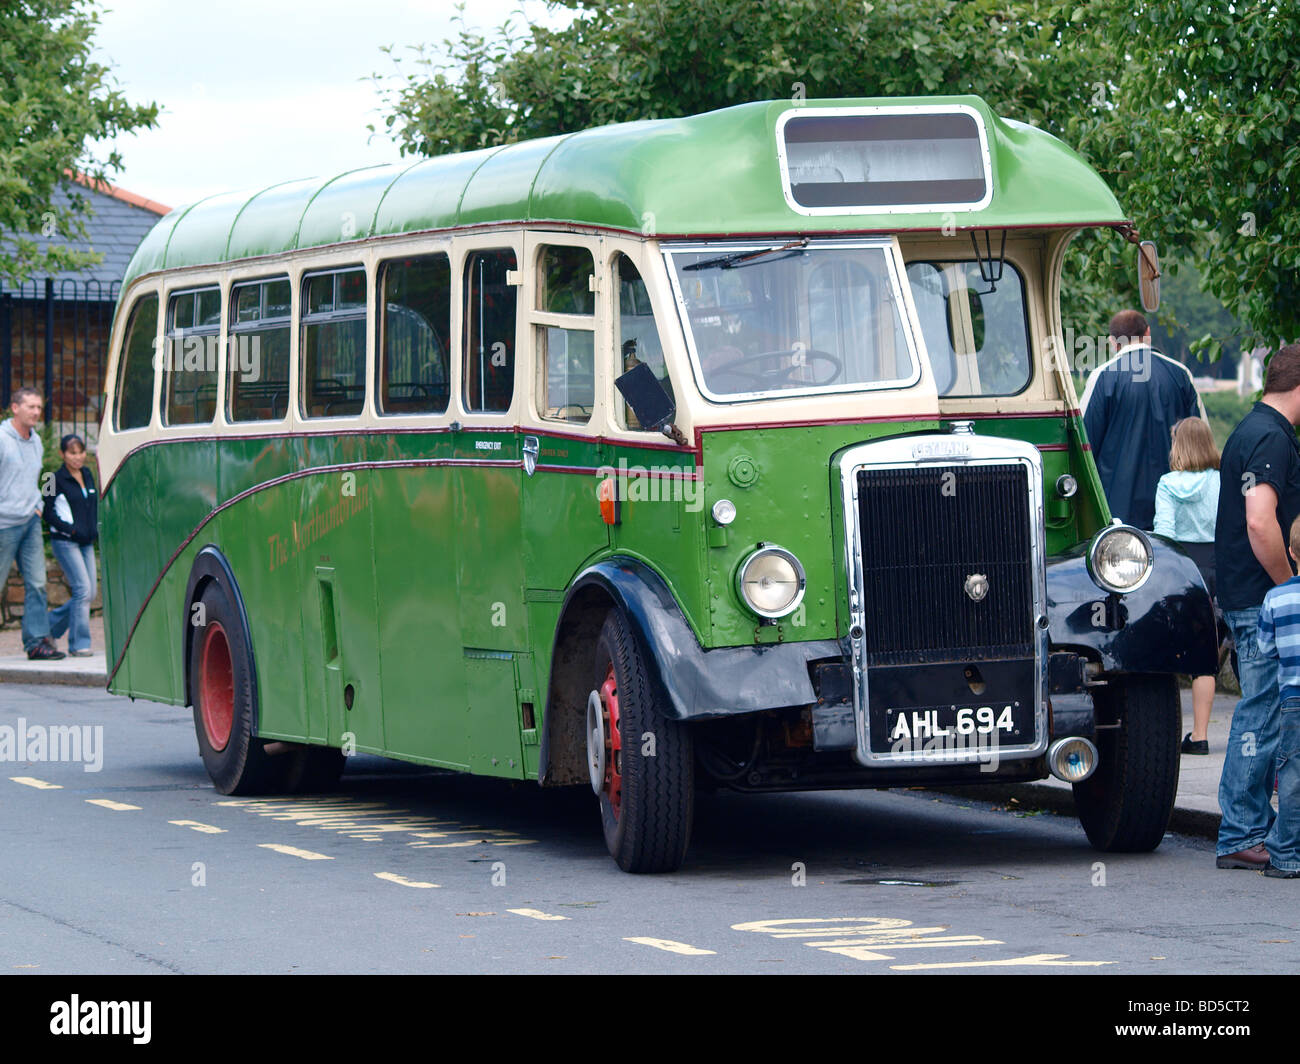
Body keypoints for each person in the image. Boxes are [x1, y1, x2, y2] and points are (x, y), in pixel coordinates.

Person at [1214, 343, 1300, 870]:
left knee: (1261, 711)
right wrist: (1290, 586)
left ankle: (1245, 828)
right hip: (1260, 594)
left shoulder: (1252, 427)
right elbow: (1260, 520)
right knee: (1264, 714)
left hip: (1245, 594)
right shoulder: (1272, 435)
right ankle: (1242, 832)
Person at [1080, 309, 1206, 530]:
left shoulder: (1102, 377)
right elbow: (1201, 443)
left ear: (1113, 342)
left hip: (1118, 512)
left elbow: (1085, 449)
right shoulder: (1181, 374)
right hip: (1177, 509)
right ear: (1147, 333)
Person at [1153, 417, 1221, 754]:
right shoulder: (1222, 481)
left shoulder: (1167, 483)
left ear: (1178, 445)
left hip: (1183, 568)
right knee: (1222, 650)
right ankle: (1202, 732)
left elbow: (1164, 533)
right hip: (1219, 566)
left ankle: (1197, 737)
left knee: (1193, 653)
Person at [0, 387, 64, 660]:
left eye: (39, 407)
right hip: (3, 524)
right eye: (31, 407)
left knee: (37, 584)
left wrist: (38, 505)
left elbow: (41, 477)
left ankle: (37, 643)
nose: (37, 412)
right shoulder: (2, 439)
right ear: (15, 408)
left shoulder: (36, 440)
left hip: (29, 523)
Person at [1254, 513, 1300, 878]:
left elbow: (1266, 648)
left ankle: (1286, 855)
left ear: (1291, 551)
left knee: (1292, 774)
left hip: (1293, 698)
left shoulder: (1276, 597)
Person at [44, 434, 98, 657]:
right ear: (62, 454)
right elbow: (48, 512)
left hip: (85, 542)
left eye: (80, 452)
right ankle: (79, 644)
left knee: (90, 592)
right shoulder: (52, 478)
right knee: (82, 590)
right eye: (72, 453)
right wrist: (71, 529)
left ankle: (48, 625)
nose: (77, 457)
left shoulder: (87, 474)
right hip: (66, 542)